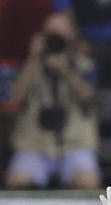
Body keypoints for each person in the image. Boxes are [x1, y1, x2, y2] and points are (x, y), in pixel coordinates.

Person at [4, 13, 100, 189]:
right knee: (17, 181)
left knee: (87, 181)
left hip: (74, 144)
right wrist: (33, 59)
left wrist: (66, 71)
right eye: (51, 36)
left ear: (72, 37)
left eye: (60, 36)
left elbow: (89, 97)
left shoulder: (85, 65)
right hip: (35, 145)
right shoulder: (31, 66)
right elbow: (14, 97)